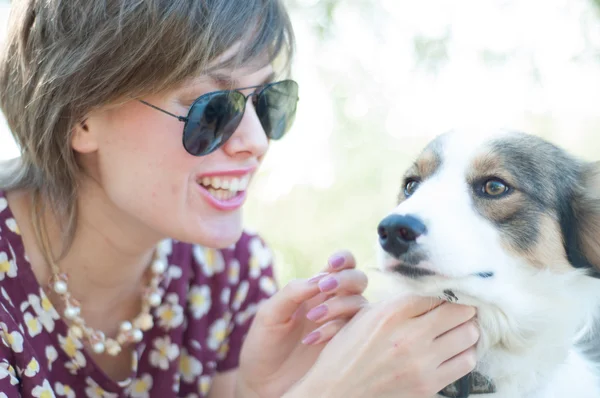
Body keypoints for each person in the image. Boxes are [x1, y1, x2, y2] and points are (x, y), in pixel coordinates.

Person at [0, 1, 479, 397]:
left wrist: (258, 389)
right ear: (81, 117)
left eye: (269, 101)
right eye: (212, 105)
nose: (255, 140)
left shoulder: (228, 273)